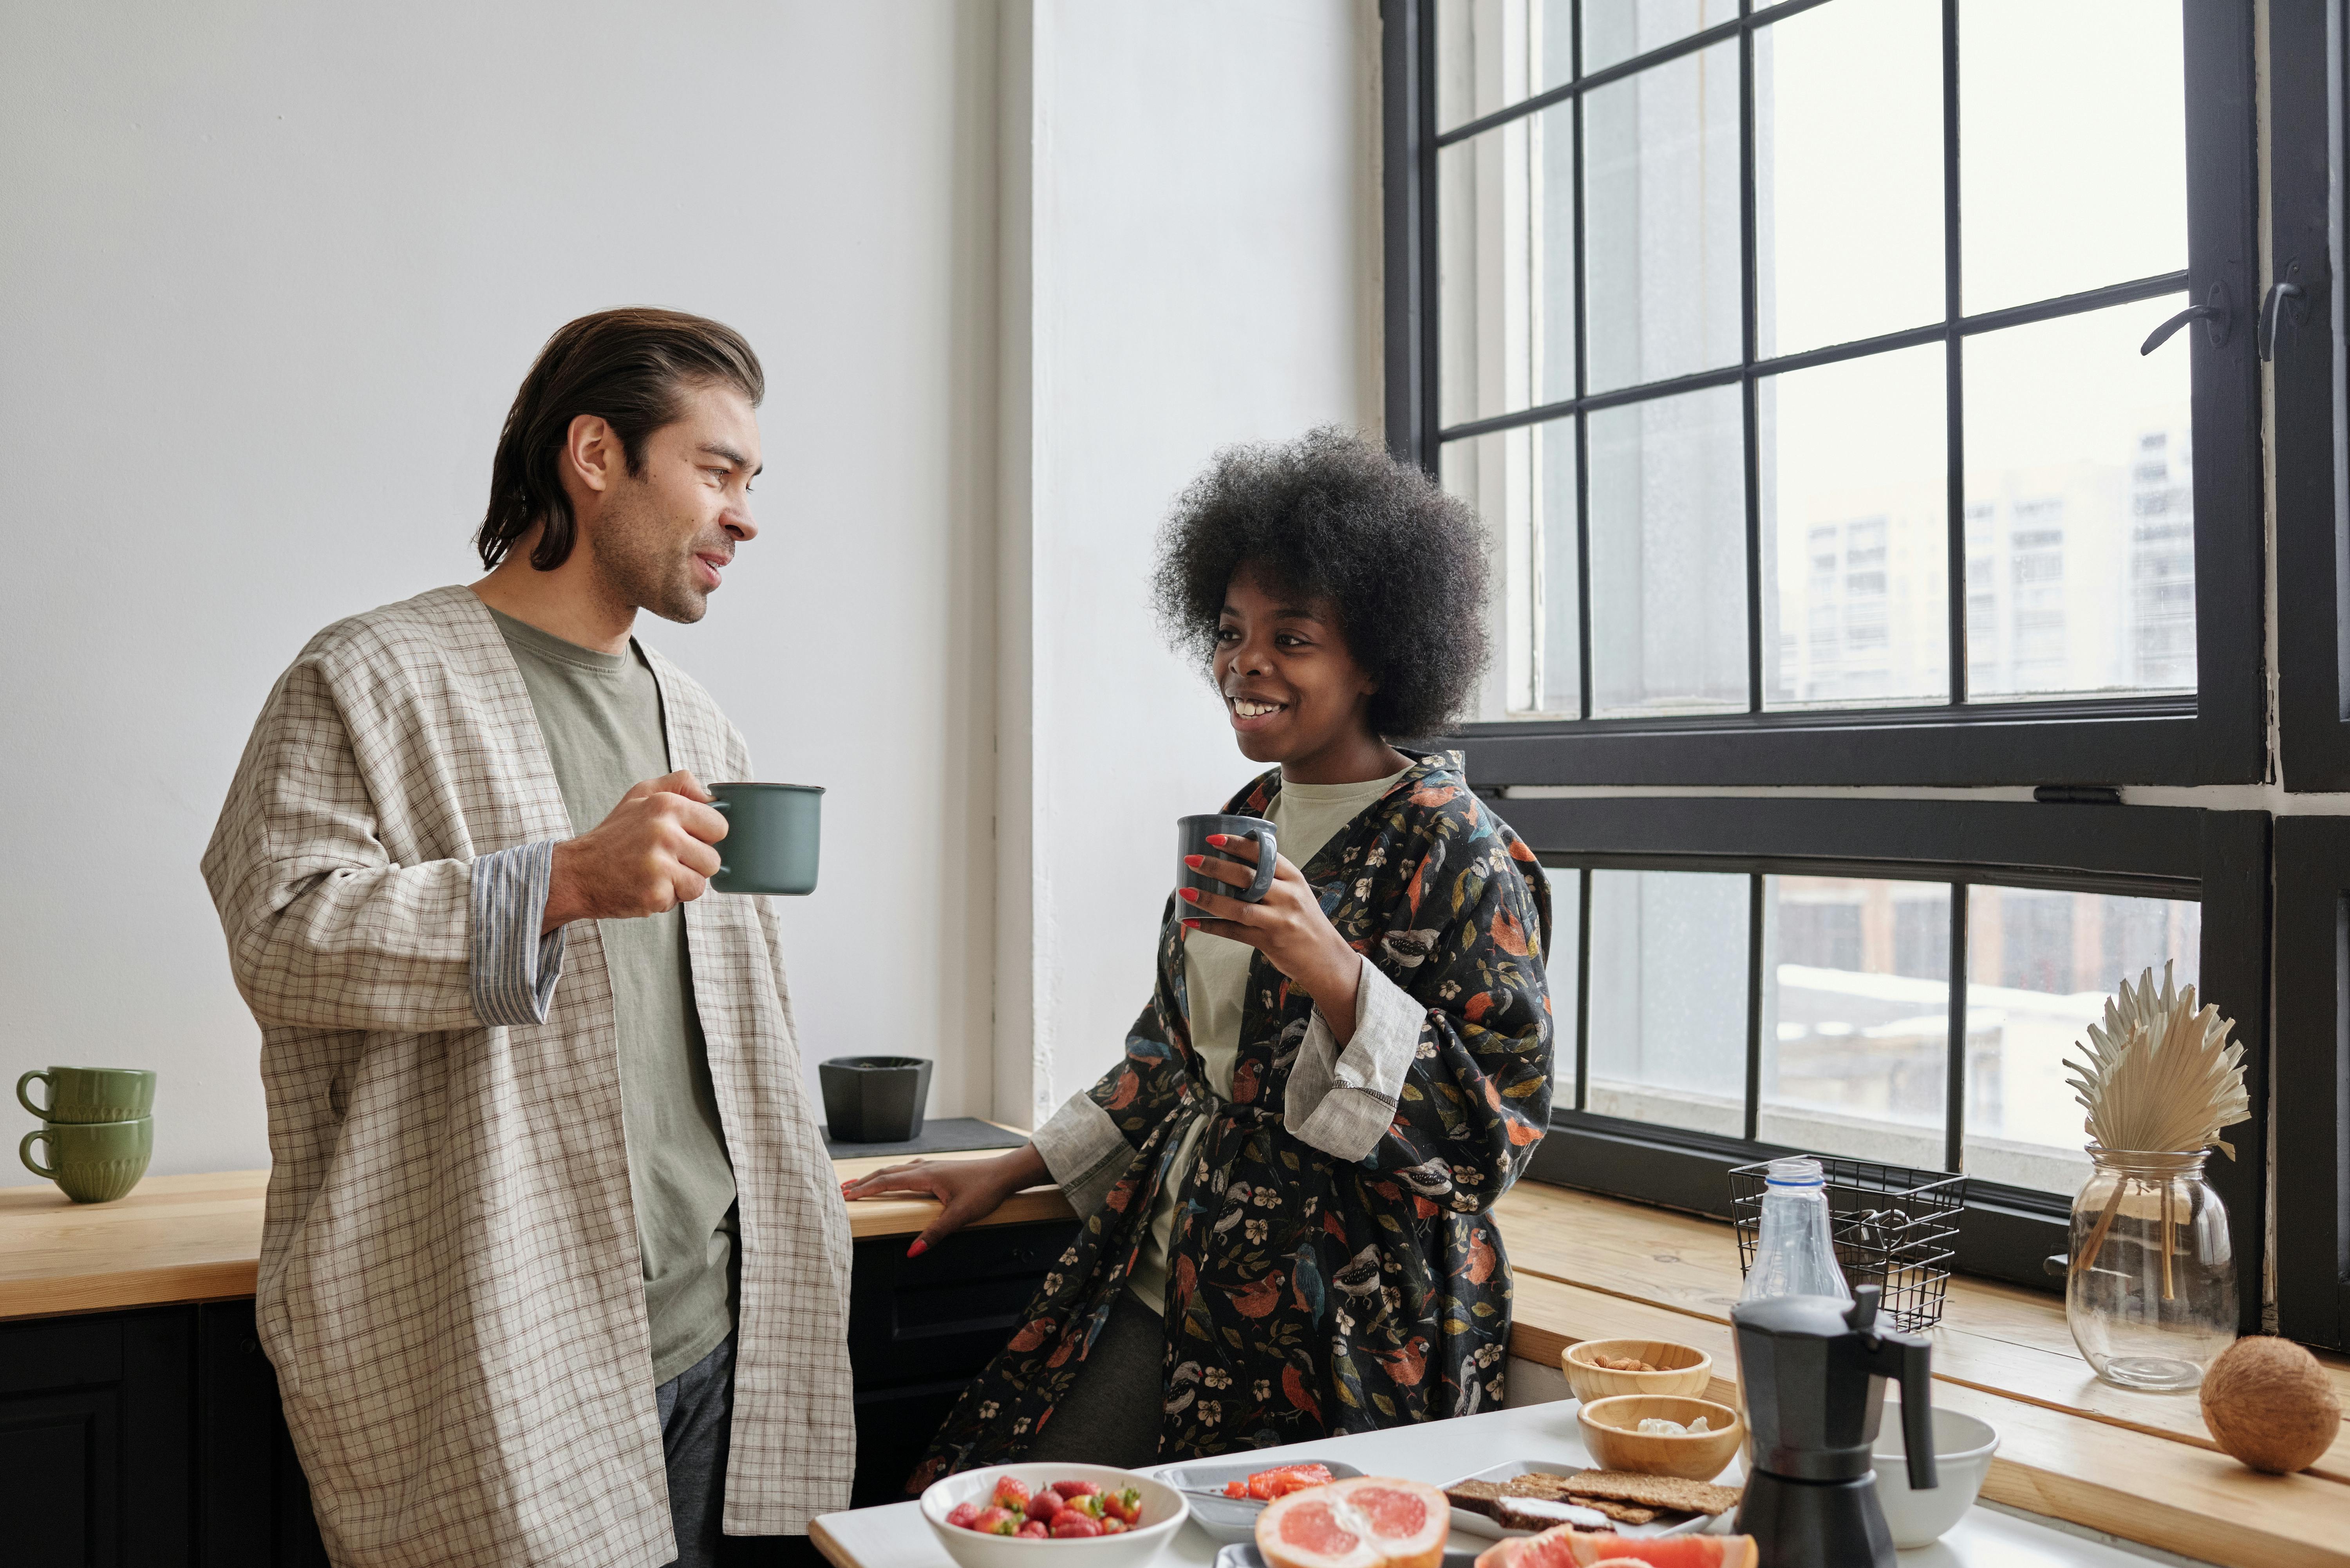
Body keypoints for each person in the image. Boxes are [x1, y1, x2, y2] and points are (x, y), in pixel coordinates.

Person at [202, 308, 851, 1568]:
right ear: (596, 454)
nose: (747, 514)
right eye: (716, 470)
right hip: (506, 1343)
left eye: (752, 482)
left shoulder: (701, 725)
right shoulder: (370, 677)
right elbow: (278, 933)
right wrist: (556, 881)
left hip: (719, 1333)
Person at [846, 428, 1553, 1476]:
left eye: (1294, 636)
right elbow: (1173, 1057)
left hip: (1352, 1321)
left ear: (1376, 658)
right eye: (1231, 631)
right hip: (1175, 1264)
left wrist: (1336, 972)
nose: (1245, 663)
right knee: (994, 1502)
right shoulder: (1248, 814)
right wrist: (1008, 1169)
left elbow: (1496, 1136)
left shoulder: (1455, 843)